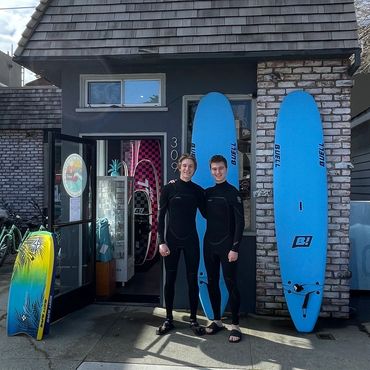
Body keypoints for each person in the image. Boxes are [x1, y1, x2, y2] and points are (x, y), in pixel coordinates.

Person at [156, 154, 205, 336]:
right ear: (179, 167)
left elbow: (208, 213)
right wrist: (161, 242)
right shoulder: (169, 188)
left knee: (193, 280)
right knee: (170, 280)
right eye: (184, 165)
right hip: (172, 241)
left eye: (190, 166)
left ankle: (193, 319)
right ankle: (168, 318)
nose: (187, 169)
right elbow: (161, 217)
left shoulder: (198, 191)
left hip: (191, 241)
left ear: (194, 169)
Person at [203, 154, 245, 343]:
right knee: (212, 282)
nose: (217, 172)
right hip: (209, 244)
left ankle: (235, 325)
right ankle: (217, 321)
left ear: (226, 169)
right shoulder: (208, 193)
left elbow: (240, 222)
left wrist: (235, 247)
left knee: (230, 282)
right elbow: (194, 199)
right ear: (210, 171)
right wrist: (174, 183)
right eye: (214, 169)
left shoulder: (233, 192)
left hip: (228, 245)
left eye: (220, 168)